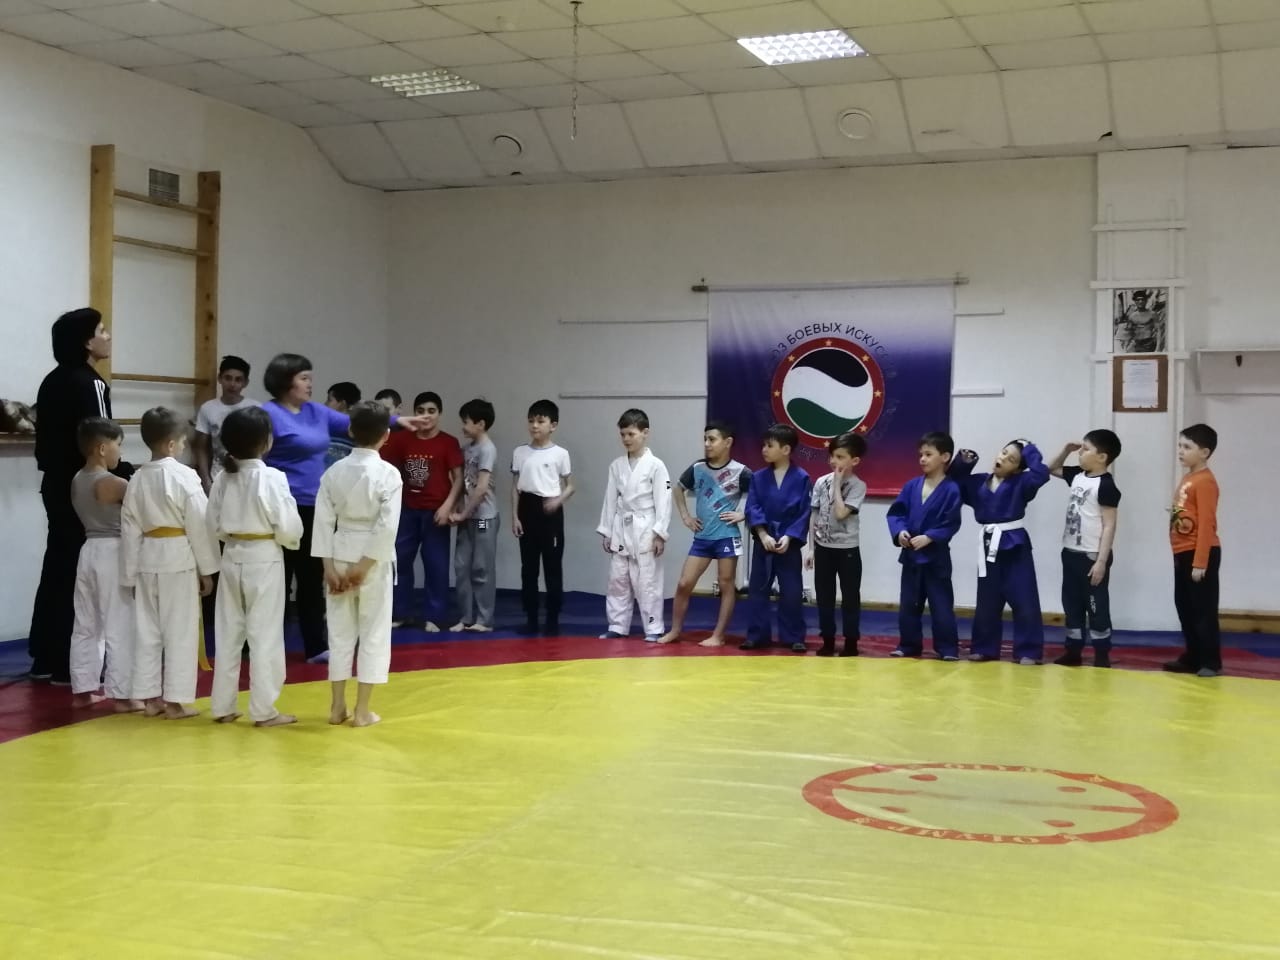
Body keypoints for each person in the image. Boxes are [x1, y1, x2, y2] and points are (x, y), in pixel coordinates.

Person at [259, 353, 426, 664]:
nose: (310, 384)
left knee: (311, 580)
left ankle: (314, 646)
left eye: (310, 377)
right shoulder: (267, 414)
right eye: (304, 378)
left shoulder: (316, 412)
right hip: (280, 508)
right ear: (285, 382)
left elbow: (355, 424)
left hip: (313, 505)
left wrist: (397, 422)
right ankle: (264, 646)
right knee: (276, 579)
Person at [30, 307, 129, 684]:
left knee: (57, 564)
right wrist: (125, 474)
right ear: (87, 342)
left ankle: (45, 655)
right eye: (101, 330)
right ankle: (69, 665)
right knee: (81, 573)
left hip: (54, 485)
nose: (108, 336)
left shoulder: (51, 381)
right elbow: (102, 438)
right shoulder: (91, 384)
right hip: (84, 487)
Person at [207, 407, 304, 727]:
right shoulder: (272, 478)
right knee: (264, 634)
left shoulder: (223, 478)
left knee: (228, 633)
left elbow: (212, 523)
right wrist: (288, 541)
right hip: (264, 556)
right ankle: (264, 710)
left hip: (232, 555)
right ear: (266, 442)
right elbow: (289, 527)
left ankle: (222, 705)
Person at [121, 407, 218, 719]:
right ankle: (175, 701)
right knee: (180, 630)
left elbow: (129, 530)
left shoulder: (137, 478)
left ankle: (149, 698)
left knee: (147, 632)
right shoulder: (184, 476)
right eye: (184, 442)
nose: (185, 446)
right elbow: (199, 524)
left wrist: (129, 575)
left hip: (147, 559)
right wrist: (207, 569)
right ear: (172, 445)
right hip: (178, 559)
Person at [313, 402, 403, 727]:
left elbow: (323, 522)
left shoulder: (333, 472)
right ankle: (362, 710)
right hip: (372, 560)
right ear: (386, 435)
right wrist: (364, 566)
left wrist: (328, 566)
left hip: (339, 551)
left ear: (350, 431)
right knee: (373, 632)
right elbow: (387, 526)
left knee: (339, 633)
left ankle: (337, 705)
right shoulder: (389, 474)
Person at [950, 439, 1051, 664]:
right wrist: (963, 463)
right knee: (988, 599)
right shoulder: (978, 482)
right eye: (1004, 453)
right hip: (989, 543)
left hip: (1015, 544)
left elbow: (1041, 475)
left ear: (1017, 469)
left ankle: (1028, 650)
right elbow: (955, 483)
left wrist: (1029, 449)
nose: (1003, 458)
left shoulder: (1022, 483)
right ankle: (984, 647)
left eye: (1011, 459)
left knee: (1024, 597)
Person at [658, 420, 751, 647]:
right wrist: (686, 516)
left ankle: (719, 635)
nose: (707, 444)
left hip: (727, 536)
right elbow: (678, 488)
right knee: (684, 583)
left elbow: (760, 496)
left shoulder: (741, 471)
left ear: (728, 442)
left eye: (712, 439)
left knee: (726, 583)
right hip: (702, 538)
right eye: (705, 439)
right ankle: (675, 630)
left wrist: (743, 514)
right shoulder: (698, 468)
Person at [68, 417, 140, 711]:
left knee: (86, 623)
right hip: (113, 551)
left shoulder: (77, 479)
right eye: (118, 445)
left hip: (88, 551)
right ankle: (123, 695)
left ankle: (83, 691)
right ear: (101, 448)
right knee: (120, 623)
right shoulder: (115, 483)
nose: (120, 452)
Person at [381, 390, 463, 632]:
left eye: (431, 411)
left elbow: (458, 478)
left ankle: (435, 616)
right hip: (407, 510)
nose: (426, 416)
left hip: (436, 513)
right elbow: (385, 467)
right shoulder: (401, 440)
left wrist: (448, 506)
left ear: (439, 414)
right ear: (414, 413)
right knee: (400, 561)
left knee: (436, 565)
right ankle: (400, 613)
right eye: (420, 411)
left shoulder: (448, 442)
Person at [1049, 430, 1122, 668]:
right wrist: (1065, 451)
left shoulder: (1106, 485)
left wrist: (1101, 561)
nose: (1080, 452)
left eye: (1086, 449)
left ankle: (1102, 653)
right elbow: (1051, 468)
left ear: (1102, 457)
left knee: (1095, 605)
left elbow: (1109, 525)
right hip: (1070, 552)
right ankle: (1073, 650)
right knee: (1072, 604)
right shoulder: (1078, 476)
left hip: (1091, 557)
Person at [886, 432, 963, 660]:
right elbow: (897, 513)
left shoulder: (952, 489)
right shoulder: (912, 486)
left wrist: (930, 537)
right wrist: (900, 532)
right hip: (911, 556)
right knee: (909, 604)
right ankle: (908, 645)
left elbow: (951, 522)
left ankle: (947, 648)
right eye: (921, 454)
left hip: (936, 558)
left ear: (945, 457)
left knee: (941, 606)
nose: (922, 459)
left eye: (928, 454)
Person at [597, 409, 671, 641]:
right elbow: (610, 499)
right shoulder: (616, 465)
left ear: (645, 433)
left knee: (647, 581)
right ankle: (617, 625)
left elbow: (664, 501)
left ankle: (654, 627)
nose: (626, 439)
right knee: (618, 579)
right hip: (621, 527)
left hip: (645, 528)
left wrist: (659, 533)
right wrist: (607, 531)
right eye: (623, 434)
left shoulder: (656, 465)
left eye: (631, 434)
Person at [739, 424, 812, 653]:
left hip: (788, 544)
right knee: (758, 589)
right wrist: (763, 534)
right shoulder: (758, 477)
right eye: (764, 445)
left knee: (791, 591)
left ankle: (793, 636)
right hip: (764, 541)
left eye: (770, 445)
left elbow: (804, 511)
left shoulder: (802, 478)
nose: (764, 449)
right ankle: (757, 635)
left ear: (786, 449)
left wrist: (790, 536)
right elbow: (752, 507)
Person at [511, 399, 574, 636]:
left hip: (550, 511)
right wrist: (515, 516)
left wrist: (558, 501)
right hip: (527, 508)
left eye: (540, 421)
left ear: (553, 425)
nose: (534, 426)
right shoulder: (520, 452)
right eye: (531, 421)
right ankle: (530, 616)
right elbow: (515, 487)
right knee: (528, 568)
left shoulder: (560, 454)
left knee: (552, 567)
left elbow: (571, 486)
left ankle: (553, 617)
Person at [1165, 424, 1222, 677]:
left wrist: (1201, 562)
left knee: (1203, 610)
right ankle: (1193, 656)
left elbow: (1207, 523)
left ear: (1204, 452)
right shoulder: (1188, 477)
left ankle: (1210, 661)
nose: (1180, 451)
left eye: (1187, 447)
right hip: (1182, 551)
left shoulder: (1205, 481)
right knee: (1185, 606)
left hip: (1200, 552)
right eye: (1180, 445)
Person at [805, 432, 867, 658]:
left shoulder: (858, 486)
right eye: (832, 456)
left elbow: (841, 513)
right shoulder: (821, 482)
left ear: (854, 460)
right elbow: (814, 514)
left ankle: (851, 641)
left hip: (847, 549)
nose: (834, 461)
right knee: (824, 597)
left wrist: (838, 484)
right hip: (823, 548)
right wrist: (811, 548)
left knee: (850, 597)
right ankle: (828, 640)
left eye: (840, 457)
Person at [449, 399, 499, 632]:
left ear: (481, 424)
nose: (463, 426)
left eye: (466, 422)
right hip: (467, 516)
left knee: (481, 568)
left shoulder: (488, 449)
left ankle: (484, 619)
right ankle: (466, 617)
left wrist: (464, 514)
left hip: (483, 518)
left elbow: (481, 488)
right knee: (461, 567)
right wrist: (457, 509)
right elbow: (461, 482)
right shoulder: (467, 449)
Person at [194, 355, 258, 495]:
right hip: (218, 477)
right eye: (228, 378)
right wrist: (206, 480)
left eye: (238, 379)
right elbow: (201, 447)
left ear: (245, 383)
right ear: (220, 378)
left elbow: (263, 446)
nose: (232, 384)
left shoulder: (255, 408)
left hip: (249, 477)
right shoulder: (208, 408)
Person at [323, 381, 361, 467]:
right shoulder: (324, 424)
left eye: (329, 400)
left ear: (342, 404)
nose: (325, 404)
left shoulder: (358, 428)